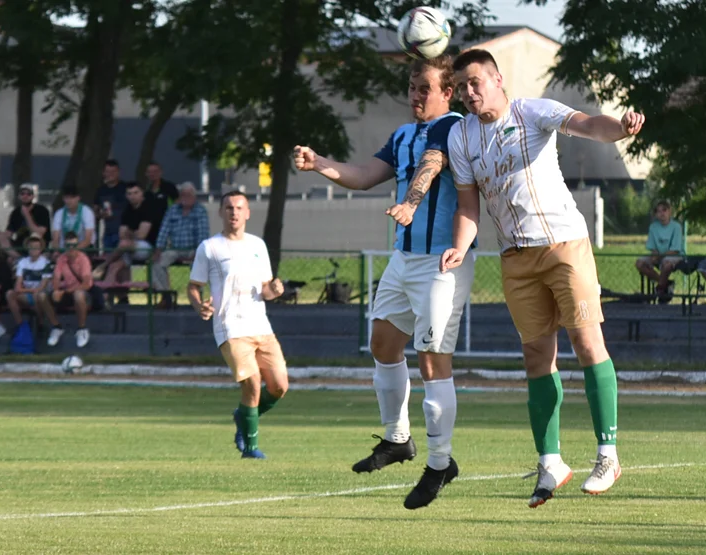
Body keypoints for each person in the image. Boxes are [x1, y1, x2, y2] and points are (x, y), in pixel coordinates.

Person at [439, 49, 645, 508]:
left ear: (496, 80)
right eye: (462, 87)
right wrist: (460, 243)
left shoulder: (531, 111)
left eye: (476, 83)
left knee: (587, 343)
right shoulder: (460, 136)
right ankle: (550, 462)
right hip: (515, 257)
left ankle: (607, 454)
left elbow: (590, 125)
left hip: (563, 245)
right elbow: (469, 206)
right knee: (536, 358)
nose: (469, 94)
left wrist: (622, 128)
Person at [293, 55, 472, 510]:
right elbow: (365, 176)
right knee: (383, 345)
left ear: (446, 92)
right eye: (412, 88)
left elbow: (430, 169)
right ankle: (398, 439)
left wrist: (411, 204)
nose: (416, 96)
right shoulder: (402, 134)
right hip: (403, 258)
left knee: (433, 361)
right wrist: (319, 164)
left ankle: (440, 464)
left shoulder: (455, 127)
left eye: (424, 88)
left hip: (441, 262)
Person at [188, 191, 289, 460]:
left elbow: (265, 289)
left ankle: (243, 417)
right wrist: (200, 307)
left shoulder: (258, 245)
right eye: (229, 207)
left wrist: (275, 290)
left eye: (239, 208)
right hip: (230, 326)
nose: (234, 212)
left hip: (261, 325)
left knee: (279, 386)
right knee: (253, 384)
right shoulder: (210, 247)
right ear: (221, 212)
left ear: (247, 213)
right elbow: (193, 286)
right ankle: (251, 448)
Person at [152, 182, 209, 308]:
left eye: (189, 195)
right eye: (183, 195)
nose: (186, 198)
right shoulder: (172, 210)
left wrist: (197, 252)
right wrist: (158, 249)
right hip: (175, 249)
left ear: (194, 196)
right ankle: (166, 295)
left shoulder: (200, 211)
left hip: (193, 248)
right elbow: (164, 231)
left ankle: (197, 298)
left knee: (198, 264)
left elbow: (203, 234)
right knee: (157, 264)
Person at [39, 231, 95, 348]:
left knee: (78, 295)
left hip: (84, 293)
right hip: (68, 292)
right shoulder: (61, 259)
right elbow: (56, 277)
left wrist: (63, 292)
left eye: (73, 245)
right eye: (68, 246)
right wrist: (55, 290)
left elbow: (86, 284)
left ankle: (82, 329)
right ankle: (56, 327)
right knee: (42, 296)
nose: (71, 248)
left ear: (77, 245)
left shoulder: (83, 259)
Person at [96, 182, 155, 288]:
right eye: (130, 193)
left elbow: (142, 235)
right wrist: (132, 234)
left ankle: (103, 265)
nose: (133, 196)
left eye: (136, 193)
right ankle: (111, 297)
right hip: (129, 248)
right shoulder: (127, 210)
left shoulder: (148, 208)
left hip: (148, 248)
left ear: (142, 194)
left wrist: (130, 233)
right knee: (114, 267)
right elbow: (122, 233)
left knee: (123, 244)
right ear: (127, 196)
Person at [634, 200, 683, 303]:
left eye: (664, 210)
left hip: (674, 255)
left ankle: (660, 289)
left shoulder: (676, 227)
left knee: (667, 264)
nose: (662, 213)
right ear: (656, 214)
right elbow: (652, 247)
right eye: (658, 211)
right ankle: (666, 283)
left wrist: (659, 257)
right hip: (659, 255)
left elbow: (675, 250)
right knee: (640, 263)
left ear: (669, 212)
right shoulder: (653, 227)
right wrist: (655, 255)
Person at [5, 234, 50, 327]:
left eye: (36, 247)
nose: (33, 249)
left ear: (41, 249)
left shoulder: (46, 263)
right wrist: (28, 291)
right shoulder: (22, 262)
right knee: (10, 294)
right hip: (27, 294)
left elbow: (42, 286)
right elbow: (17, 287)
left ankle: (41, 322)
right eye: (31, 247)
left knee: (38, 295)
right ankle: (20, 324)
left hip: (41, 295)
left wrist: (27, 291)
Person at [2, 183, 51, 259]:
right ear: (19, 196)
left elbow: (40, 232)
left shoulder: (42, 210)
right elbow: (9, 233)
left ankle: (22, 259)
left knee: (36, 238)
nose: (25, 196)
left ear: (33, 196)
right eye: (22, 193)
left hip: (38, 246)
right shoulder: (15, 212)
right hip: (19, 247)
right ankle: (20, 259)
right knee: (1, 239)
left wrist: (27, 215)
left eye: (28, 194)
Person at [94, 159, 129, 251]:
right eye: (108, 172)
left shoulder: (125, 189)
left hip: (124, 233)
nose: (110, 174)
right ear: (103, 173)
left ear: (118, 172)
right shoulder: (101, 190)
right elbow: (96, 211)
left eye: (113, 171)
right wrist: (101, 214)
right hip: (108, 233)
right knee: (108, 258)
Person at [51, 186, 96, 252]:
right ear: (63, 199)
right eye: (66, 198)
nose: (69, 201)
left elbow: (88, 240)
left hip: (84, 249)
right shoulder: (59, 213)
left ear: (78, 198)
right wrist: (58, 251)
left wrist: (72, 251)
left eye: (72, 198)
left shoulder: (87, 212)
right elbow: (55, 240)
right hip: (63, 250)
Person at [144, 161, 179, 239]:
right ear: (146, 174)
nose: (152, 174)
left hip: (166, 226)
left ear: (160, 172)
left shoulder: (169, 187)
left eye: (155, 171)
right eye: (150, 172)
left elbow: (178, 204)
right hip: (149, 228)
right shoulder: (145, 191)